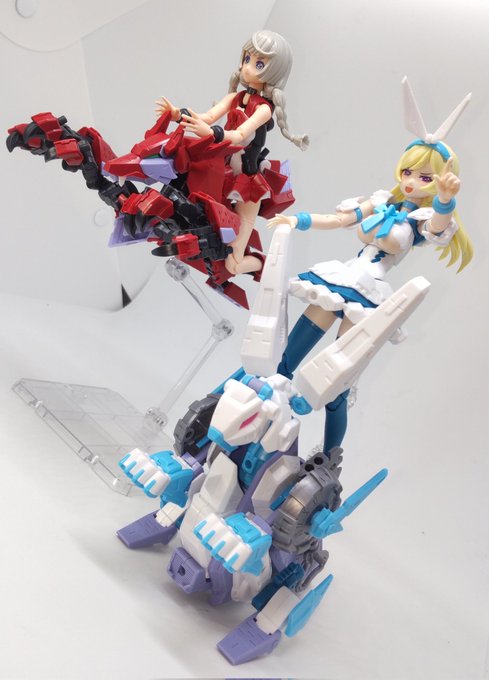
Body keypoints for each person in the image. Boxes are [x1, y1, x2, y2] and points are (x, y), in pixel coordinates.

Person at [155, 30, 308, 276]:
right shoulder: (235, 97)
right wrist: (177, 114)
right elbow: (207, 117)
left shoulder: (264, 110)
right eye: (247, 59)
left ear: (274, 71)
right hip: (223, 172)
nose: (247, 67)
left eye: (259, 64)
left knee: (233, 263)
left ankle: (265, 265)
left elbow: (239, 134)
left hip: (247, 185)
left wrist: (212, 133)